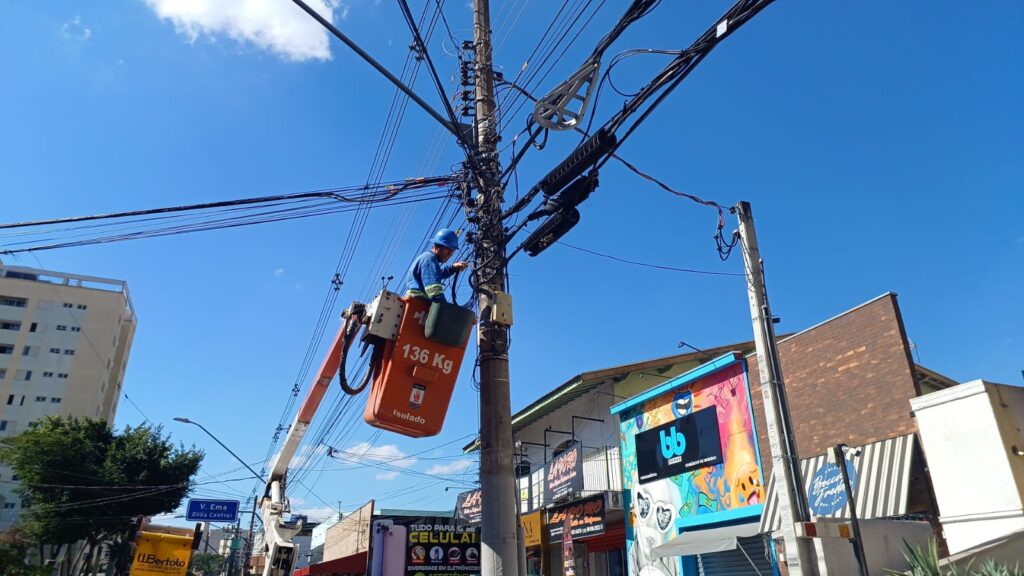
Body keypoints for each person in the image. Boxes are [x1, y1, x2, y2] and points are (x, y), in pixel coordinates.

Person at [402, 228, 469, 302]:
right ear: (437, 246)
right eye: (448, 249)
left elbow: (436, 274)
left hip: (418, 304)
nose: (449, 254)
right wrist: (447, 309)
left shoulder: (427, 258)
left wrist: (452, 268)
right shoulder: (429, 259)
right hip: (418, 305)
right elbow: (434, 291)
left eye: (452, 250)